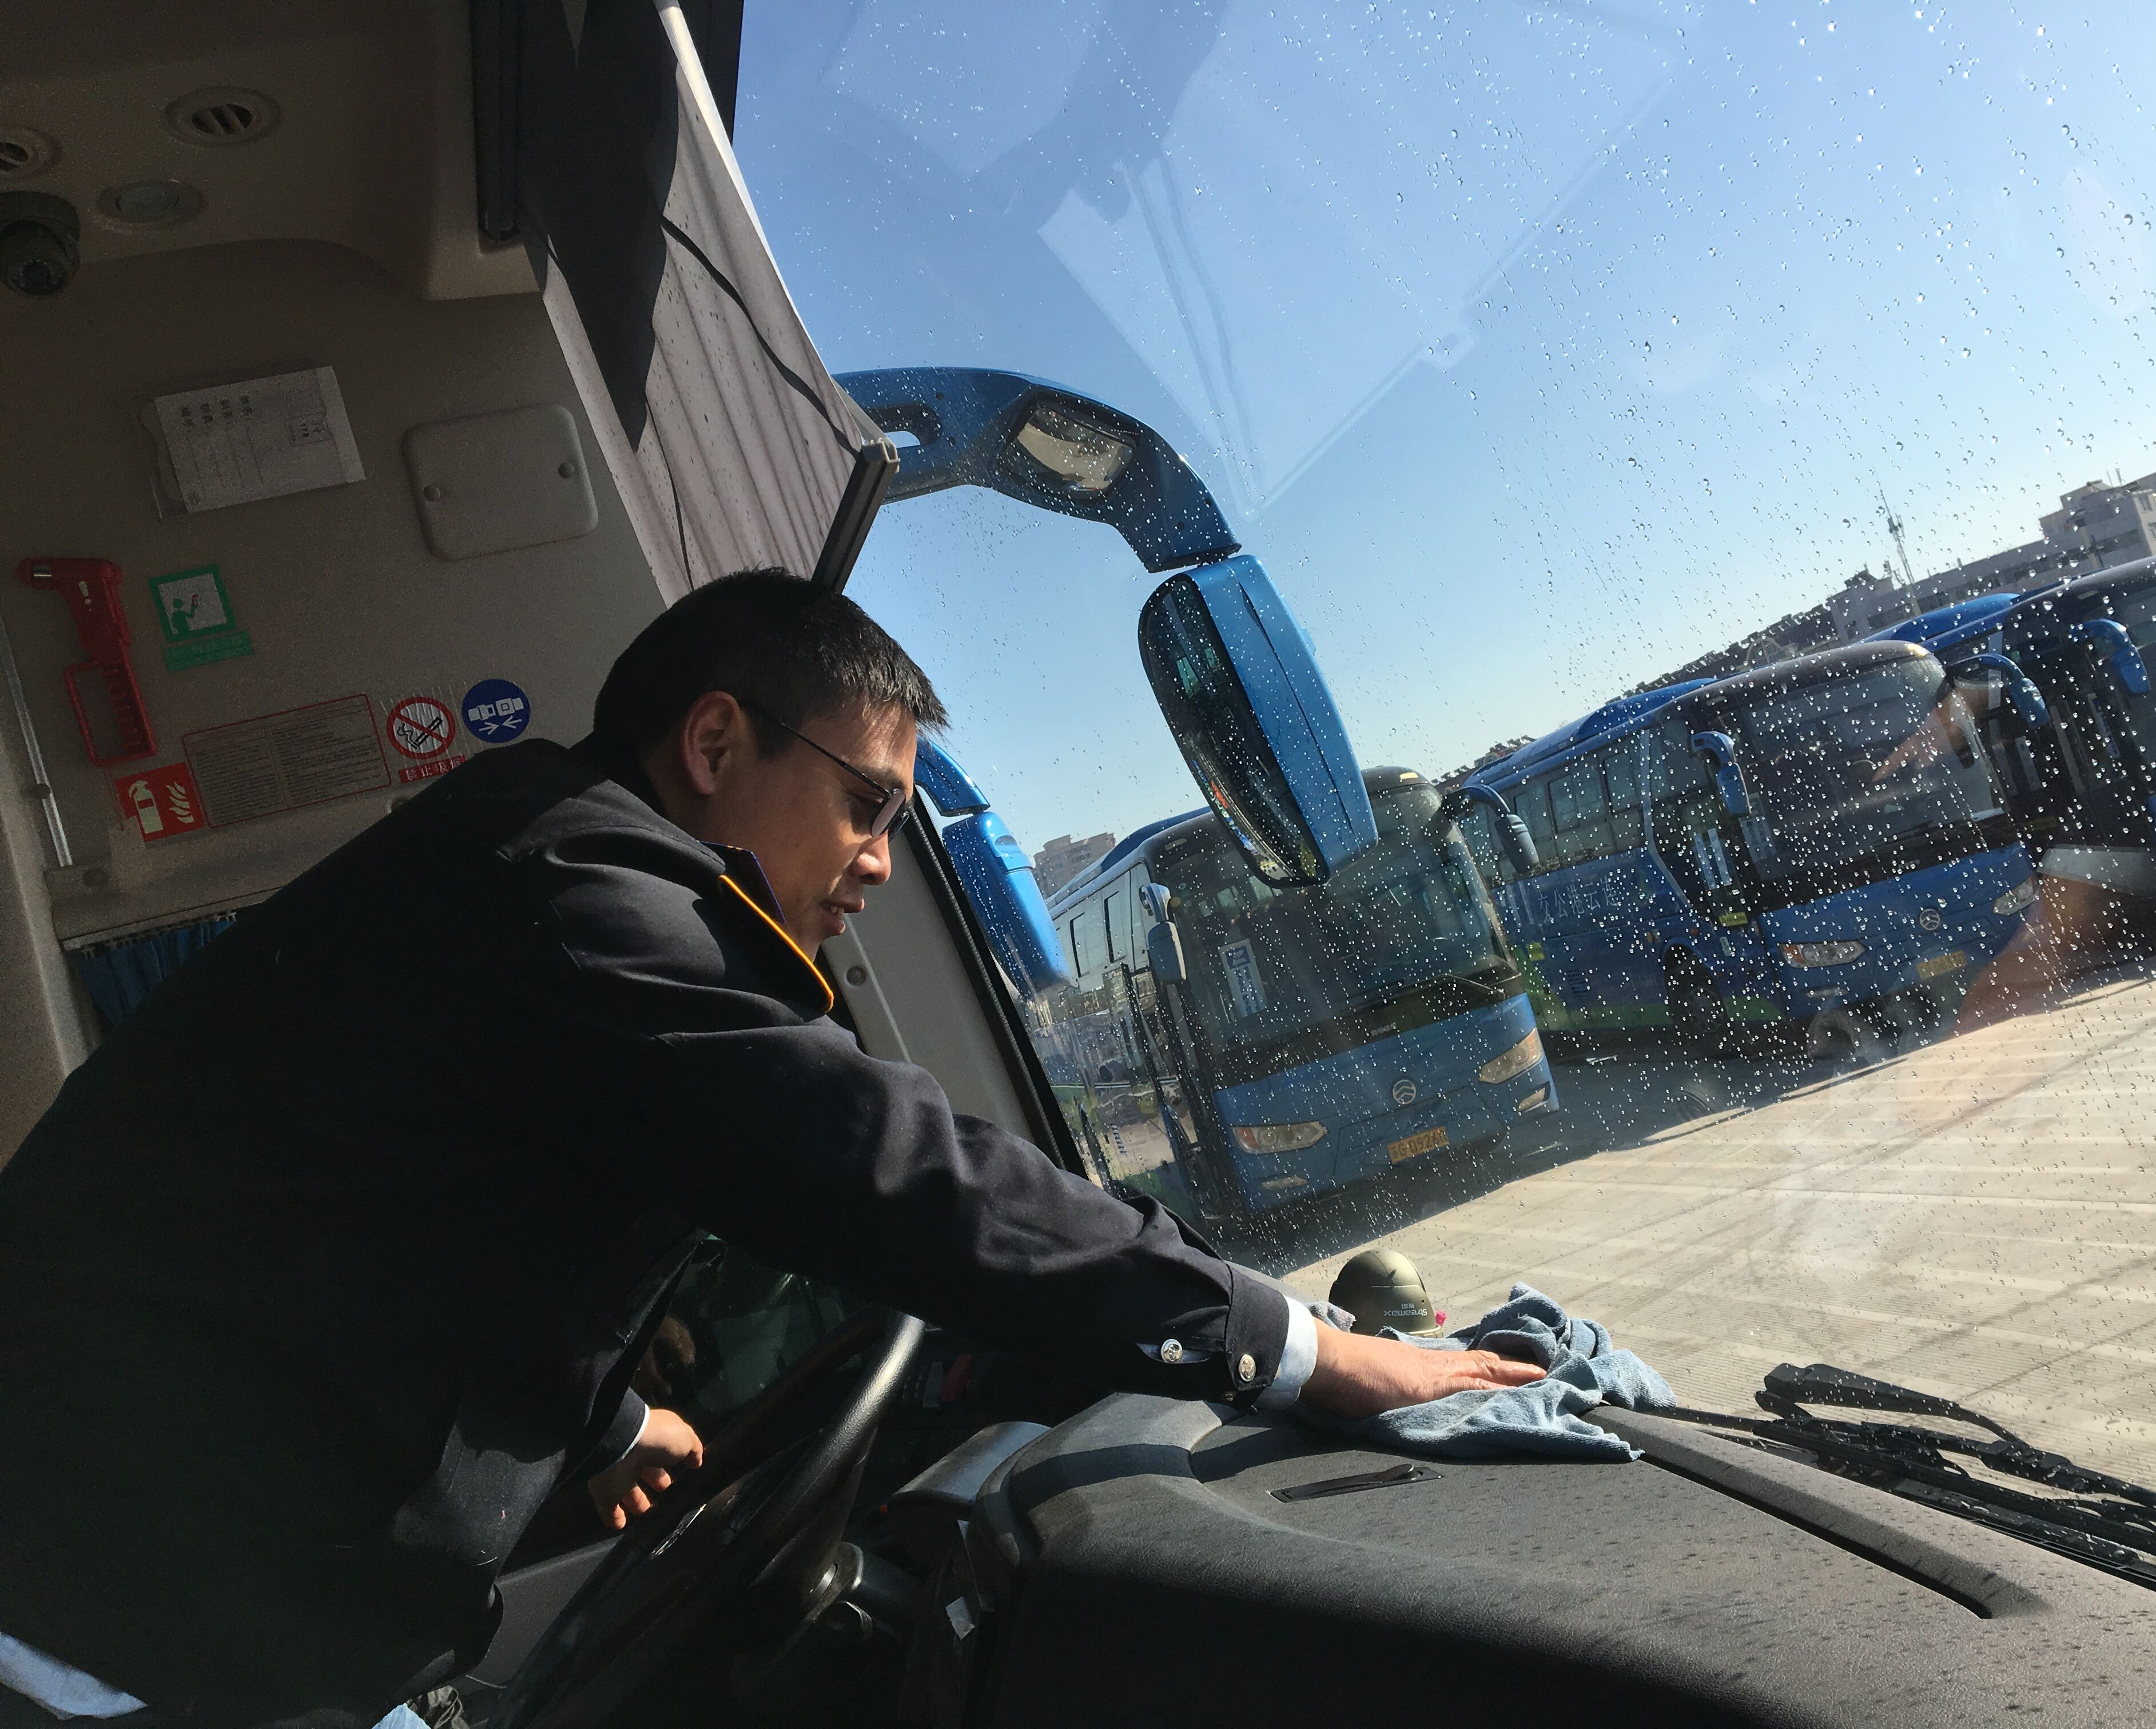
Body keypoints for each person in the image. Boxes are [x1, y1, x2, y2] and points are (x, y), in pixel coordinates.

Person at [0, 570, 1540, 1729]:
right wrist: (1303, 1351)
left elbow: (423, 1241)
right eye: (868, 805)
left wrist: (610, 1424)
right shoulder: (584, 896)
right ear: (717, 740)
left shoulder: (537, 866)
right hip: (122, 1634)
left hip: (183, 1588)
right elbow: (892, 1170)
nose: (879, 862)